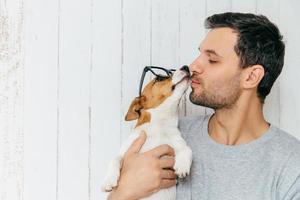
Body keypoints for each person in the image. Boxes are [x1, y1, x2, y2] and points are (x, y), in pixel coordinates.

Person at [108, 12, 300, 200]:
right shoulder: (165, 135)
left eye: (212, 59)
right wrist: (124, 193)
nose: (193, 66)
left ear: (251, 77)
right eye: (199, 54)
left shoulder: (291, 164)